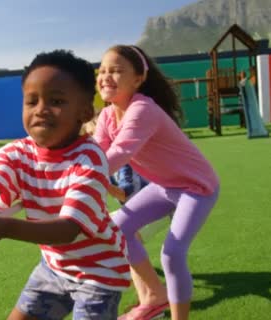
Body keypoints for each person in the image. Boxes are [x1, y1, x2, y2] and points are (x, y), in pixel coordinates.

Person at [0, 49, 131, 320]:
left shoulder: (89, 159)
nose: (41, 109)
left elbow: (68, 230)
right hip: (54, 266)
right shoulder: (15, 153)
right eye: (31, 101)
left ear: (85, 112)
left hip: (98, 271)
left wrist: (3, 227)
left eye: (57, 100)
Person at [93, 45, 220, 320]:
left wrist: (80, 177)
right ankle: (154, 296)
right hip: (164, 187)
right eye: (102, 71)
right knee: (117, 228)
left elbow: (118, 153)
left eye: (115, 71)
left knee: (172, 254)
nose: (105, 77)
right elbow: (96, 155)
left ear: (138, 79)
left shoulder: (142, 109)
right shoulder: (106, 115)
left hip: (196, 188)